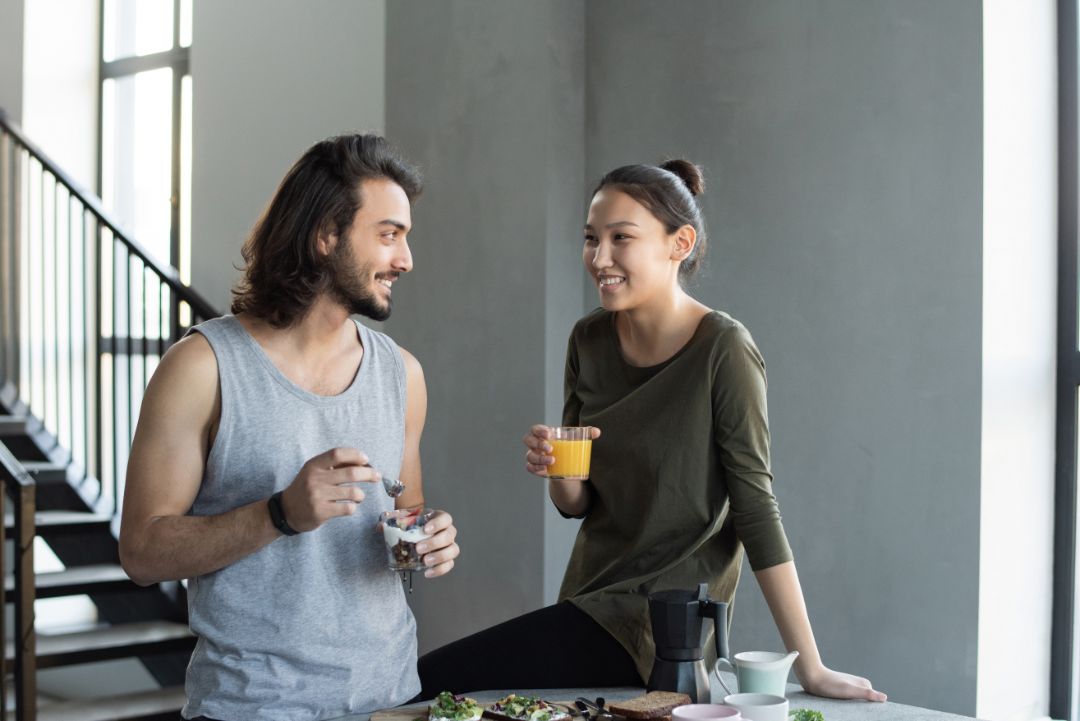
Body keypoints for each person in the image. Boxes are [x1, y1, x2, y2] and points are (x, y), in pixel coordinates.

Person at [417, 159, 884, 703]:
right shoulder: (588, 340)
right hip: (588, 603)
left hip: (663, 628)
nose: (600, 258)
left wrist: (811, 666)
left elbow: (756, 509)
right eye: (592, 238)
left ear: (679, 243)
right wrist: (557, 469)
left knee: (425, 683)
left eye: (622, 238)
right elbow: (576, 503)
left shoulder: (724, 351)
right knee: (436, 692)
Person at [119, 134, 460, 721]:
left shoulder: (402, 374)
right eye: (388, 235)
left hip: (391, 698)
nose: (406, 260)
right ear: (326, 235)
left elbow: (406, 508)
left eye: (405, 237)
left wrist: (430, 536)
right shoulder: (201, 367)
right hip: (252, 707)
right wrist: (279, 514)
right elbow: (142, 552)